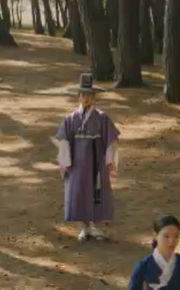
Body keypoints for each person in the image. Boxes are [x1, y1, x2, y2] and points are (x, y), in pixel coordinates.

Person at [55, 73, 120, 242]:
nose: (86, 98)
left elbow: (111, 141)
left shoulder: (102, 118)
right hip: (77, 163)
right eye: (83, 95)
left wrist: (110, 161)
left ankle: (97, 227)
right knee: (78, 193)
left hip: (96, 161)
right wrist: (65, 162)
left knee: (98, 192)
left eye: (89, 95)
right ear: (78, 96)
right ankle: (83, 227)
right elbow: (64, 141)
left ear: (94, 97)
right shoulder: (70, 119)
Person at [126, 215, 180, 290]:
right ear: (155, 235)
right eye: (166, 236)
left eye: (176, 236)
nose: (171, 241)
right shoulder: (143, 267)